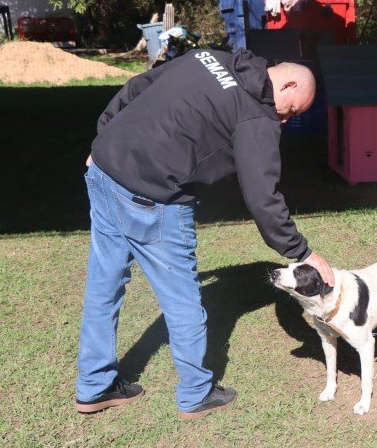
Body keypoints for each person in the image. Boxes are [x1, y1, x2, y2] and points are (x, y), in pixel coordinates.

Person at [74, 48, 334, 419]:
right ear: (289, 82)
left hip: (104, 170)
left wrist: (104, 136)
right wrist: (301, 253)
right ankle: (196, 392)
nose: (286, 120)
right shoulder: (256, 116)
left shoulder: (209, 57)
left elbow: (138, 85)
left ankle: (94, 386)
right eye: (292, 110)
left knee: (103, 286)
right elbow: (263, 198)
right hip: (155, 199)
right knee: (181, 298)